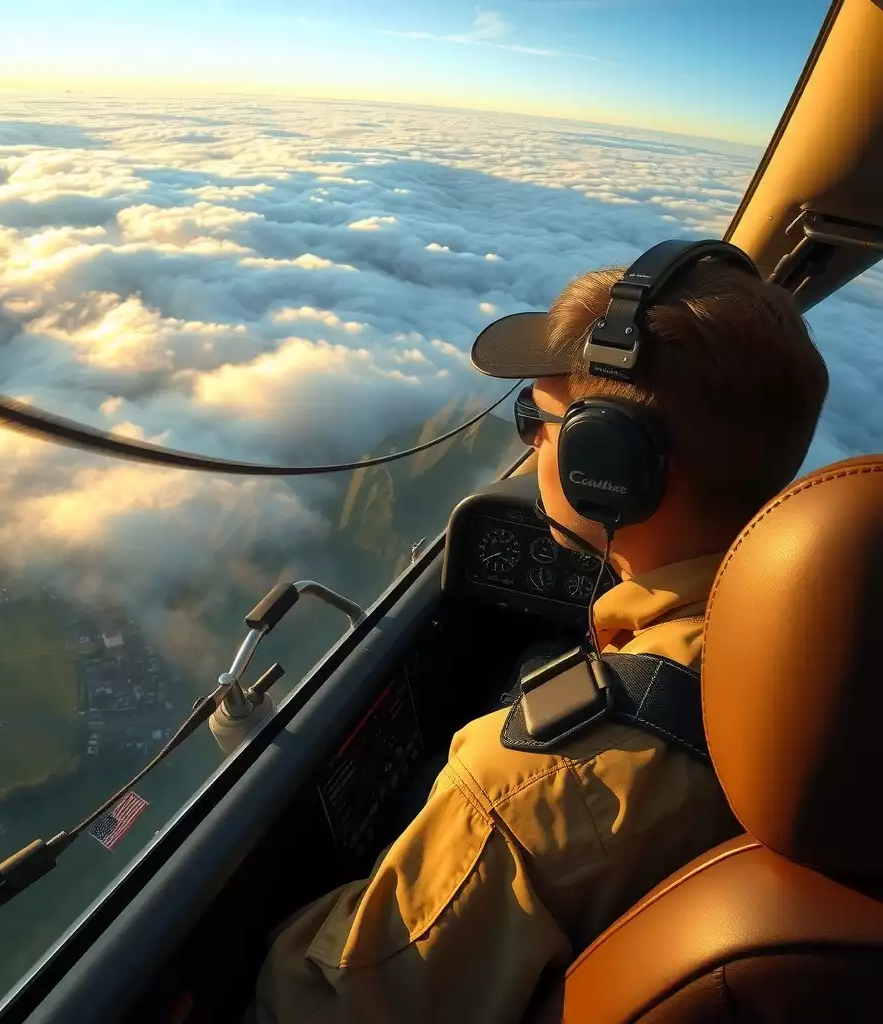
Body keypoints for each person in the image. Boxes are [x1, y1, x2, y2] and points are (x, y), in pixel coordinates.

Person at [247, 252, 830, 1024]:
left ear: (610, 467)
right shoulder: (831, 644)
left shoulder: (521, 792)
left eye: (537, 420)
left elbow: (321, 1008)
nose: (526, 445)